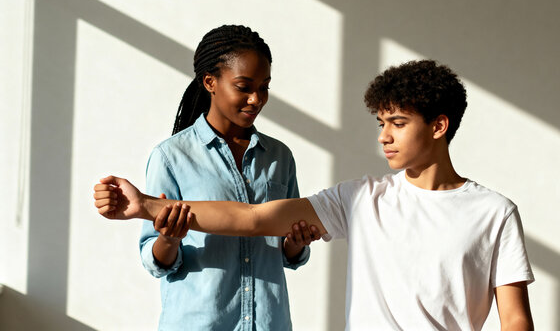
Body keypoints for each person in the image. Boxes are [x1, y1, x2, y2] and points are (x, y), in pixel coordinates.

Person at [95, 60, 535, 330]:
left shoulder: (494, 212)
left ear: (438, 126)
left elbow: (515, 319)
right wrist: (147, 208)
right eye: (380, 123)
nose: (384, 137)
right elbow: (251, 219)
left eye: (397, 123)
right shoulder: (360, 198)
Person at [136, 25, 320, 330]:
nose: (256, 99)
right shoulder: (171, 156)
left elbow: (289, 255)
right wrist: (169, 238)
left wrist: (296, 242)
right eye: (244, 86)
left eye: (264, 87)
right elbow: (153, 259)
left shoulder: (280, 157)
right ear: (210, 81)